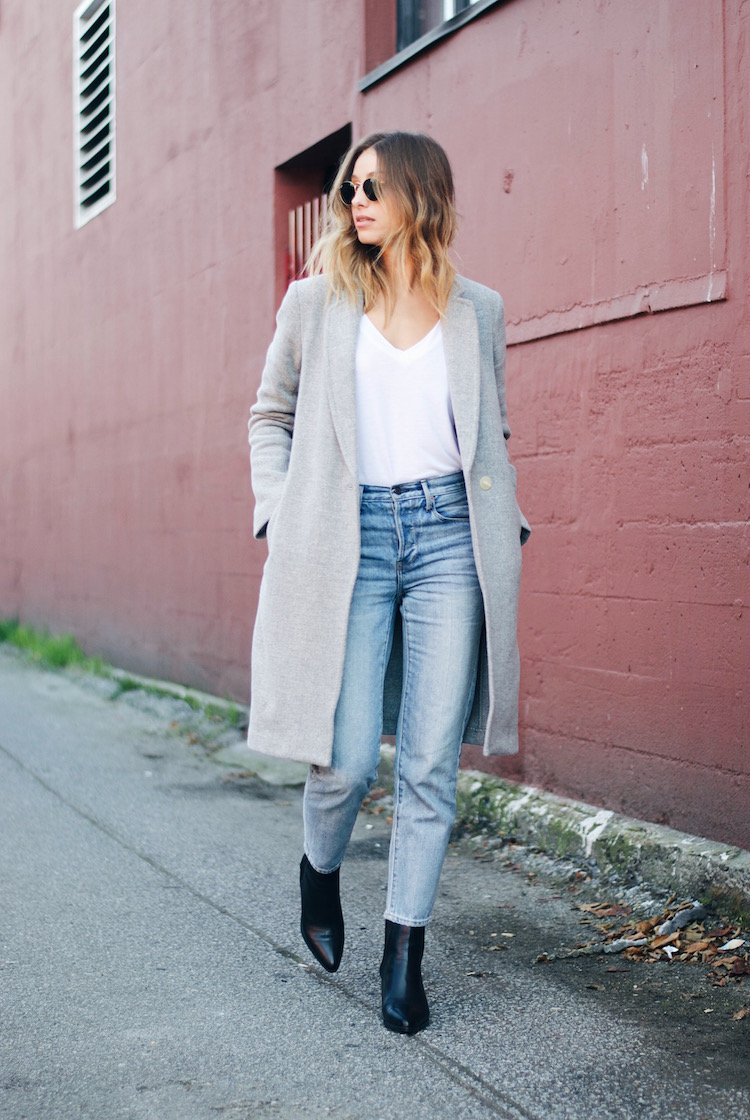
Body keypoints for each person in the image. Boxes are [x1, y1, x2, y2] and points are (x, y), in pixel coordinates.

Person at [247, 130, 530, 1035]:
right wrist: (278, 509)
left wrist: (505, 523)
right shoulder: (316, 302)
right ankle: (318, 869)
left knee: (429, 764)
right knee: (343, 753)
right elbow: (271, 414)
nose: (355, 200)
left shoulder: (477, 309)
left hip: (450, 538)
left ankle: (403, 953)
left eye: (373, 186)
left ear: (420, 194)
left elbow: (491, 434)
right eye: (348, 187)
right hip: (351, 536)